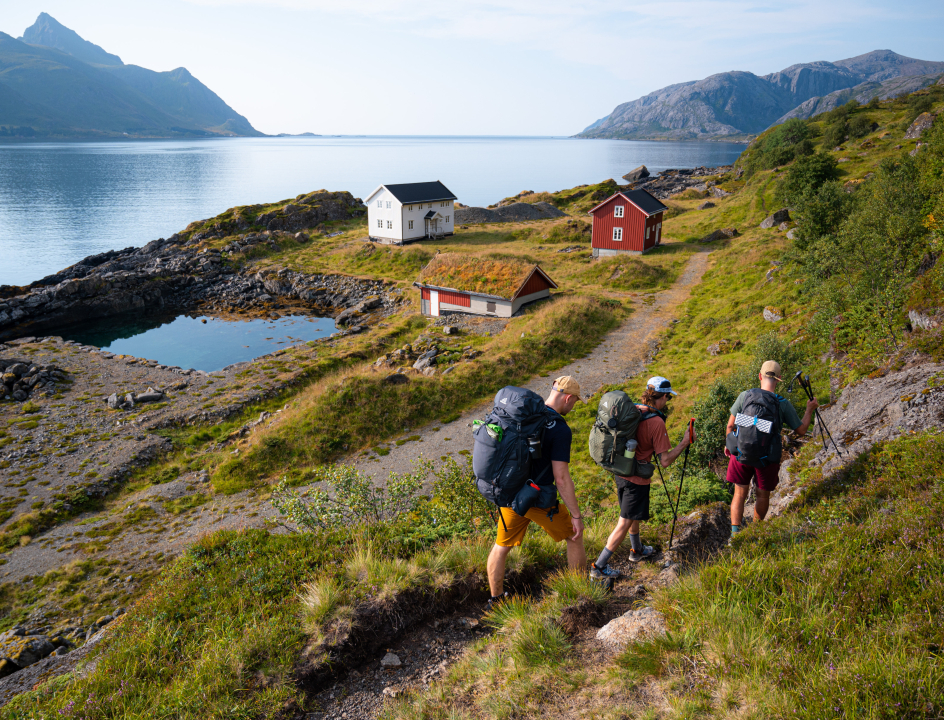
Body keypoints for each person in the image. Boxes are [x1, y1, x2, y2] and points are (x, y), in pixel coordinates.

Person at [486, 376, 587, 607]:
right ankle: (581, 595)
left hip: (510, 493)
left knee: (502, 546)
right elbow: (561, 478)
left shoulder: (525, 414)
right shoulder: (559, 428)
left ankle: (496, 599)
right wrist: (576, 515)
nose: (573, 407)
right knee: (575, 534)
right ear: (568, 398)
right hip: (536, 499)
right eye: (575, 402)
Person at [590, 376, 695, 580]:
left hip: (621, 472)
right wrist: (684, 442)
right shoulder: (656, 422)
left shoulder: (635, 410)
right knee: (624, 522)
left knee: (631, 516)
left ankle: (636, 550)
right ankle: (599, 566)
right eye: (668, 398)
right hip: (636, 480)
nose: (668, 401)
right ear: (663, 396)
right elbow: (664, 461)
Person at [724, 360, 818, 535]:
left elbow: (731, 426)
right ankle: (756, 532)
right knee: (762, 495)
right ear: (779, 379)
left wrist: (730, 446)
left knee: (739, 494)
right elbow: (802, 430)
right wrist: (809, 409)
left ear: (760, 376)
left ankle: (735, 535)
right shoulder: (782, 403)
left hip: (741, 453)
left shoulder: (745, 396)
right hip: (766, 458)